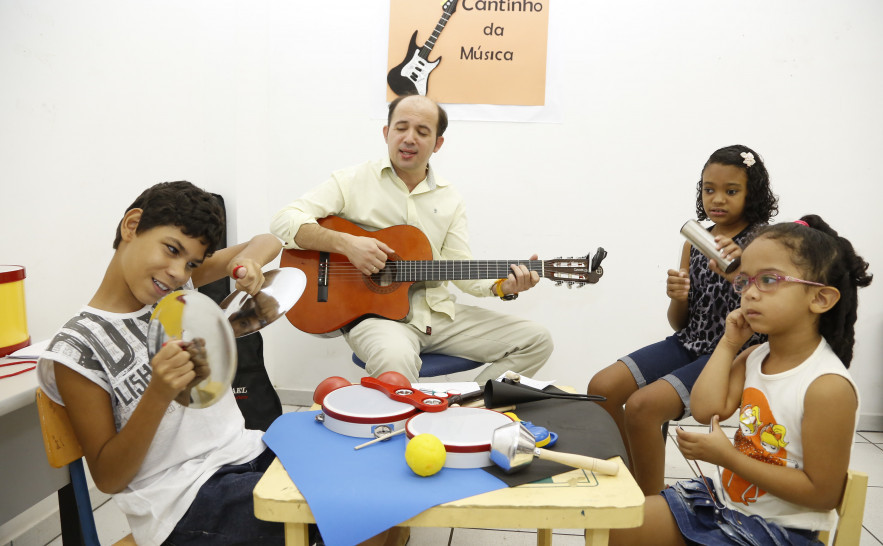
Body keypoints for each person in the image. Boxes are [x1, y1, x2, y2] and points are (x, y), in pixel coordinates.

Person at [36, 181, 290, 546]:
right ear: (131, 226)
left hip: (248, 454)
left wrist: (245, 263)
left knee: (349, 481)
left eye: (191, 263)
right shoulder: (77, 348)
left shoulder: (179, 291)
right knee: (327, 514)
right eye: (171, 249)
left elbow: (268, 240)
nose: (177, 271)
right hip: (183, 503)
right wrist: (159, 392)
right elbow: (108, 478)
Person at [609, 214, 872, 545]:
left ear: (820, 298)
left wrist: (728, 458)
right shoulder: (754, 356)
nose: (749, 293)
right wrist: (729, 342)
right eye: (744, 281)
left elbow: (821, 495)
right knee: (617, 524)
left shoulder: (827, 386)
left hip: (779, 531)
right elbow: (705, 409)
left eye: (769, 280)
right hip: (727, 505)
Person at [270, 94, 553, 384]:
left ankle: (467, 406)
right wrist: (348, 245)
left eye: (422, 131)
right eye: (401, 127)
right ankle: (406, 422)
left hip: (439, 315)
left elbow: (461, 267)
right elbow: (284, 221)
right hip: (377, 321)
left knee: (537, 340)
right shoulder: (351, 181)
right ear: (386, 133)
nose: (409, 138)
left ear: (438, 143)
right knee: (395, 361)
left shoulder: (450, 198)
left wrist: (503, 286)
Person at [587, 145, 779, 495]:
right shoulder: (697, 240)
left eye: (731, 191)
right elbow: (680, 323)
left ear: (752, 194)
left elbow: (772, 312)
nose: (717, 199)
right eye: (709, 189)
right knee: (602, 388)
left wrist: (741, 270)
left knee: (643, 409)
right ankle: (629, 480)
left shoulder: (766, 242)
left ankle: (651, 507)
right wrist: (678, 296)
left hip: (732, 353)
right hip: (688, 343)